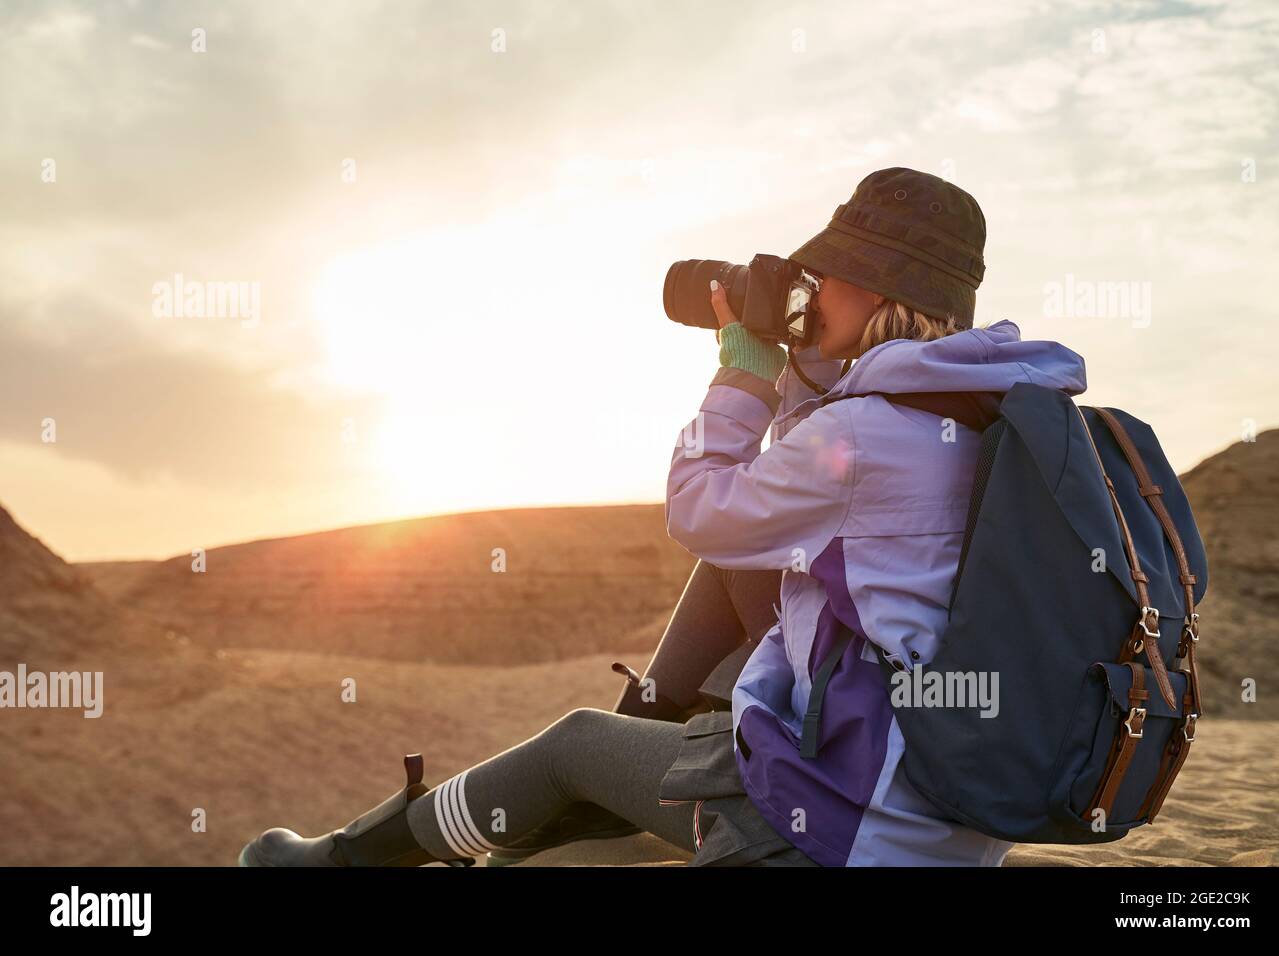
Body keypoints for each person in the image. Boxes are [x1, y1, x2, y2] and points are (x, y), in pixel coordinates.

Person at [239, 167, 1087, 867]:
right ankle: (643, 739)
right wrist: (808, 367)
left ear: (866, 285)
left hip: (845, 826)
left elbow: (698, 510)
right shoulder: (989, 416)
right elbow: (785, 521)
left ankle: (341, 861)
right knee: (743, 562)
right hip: (952, 818)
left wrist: (744, 376)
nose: (810, 289)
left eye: (822, 277)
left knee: (573, 742)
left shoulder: (868, 433)